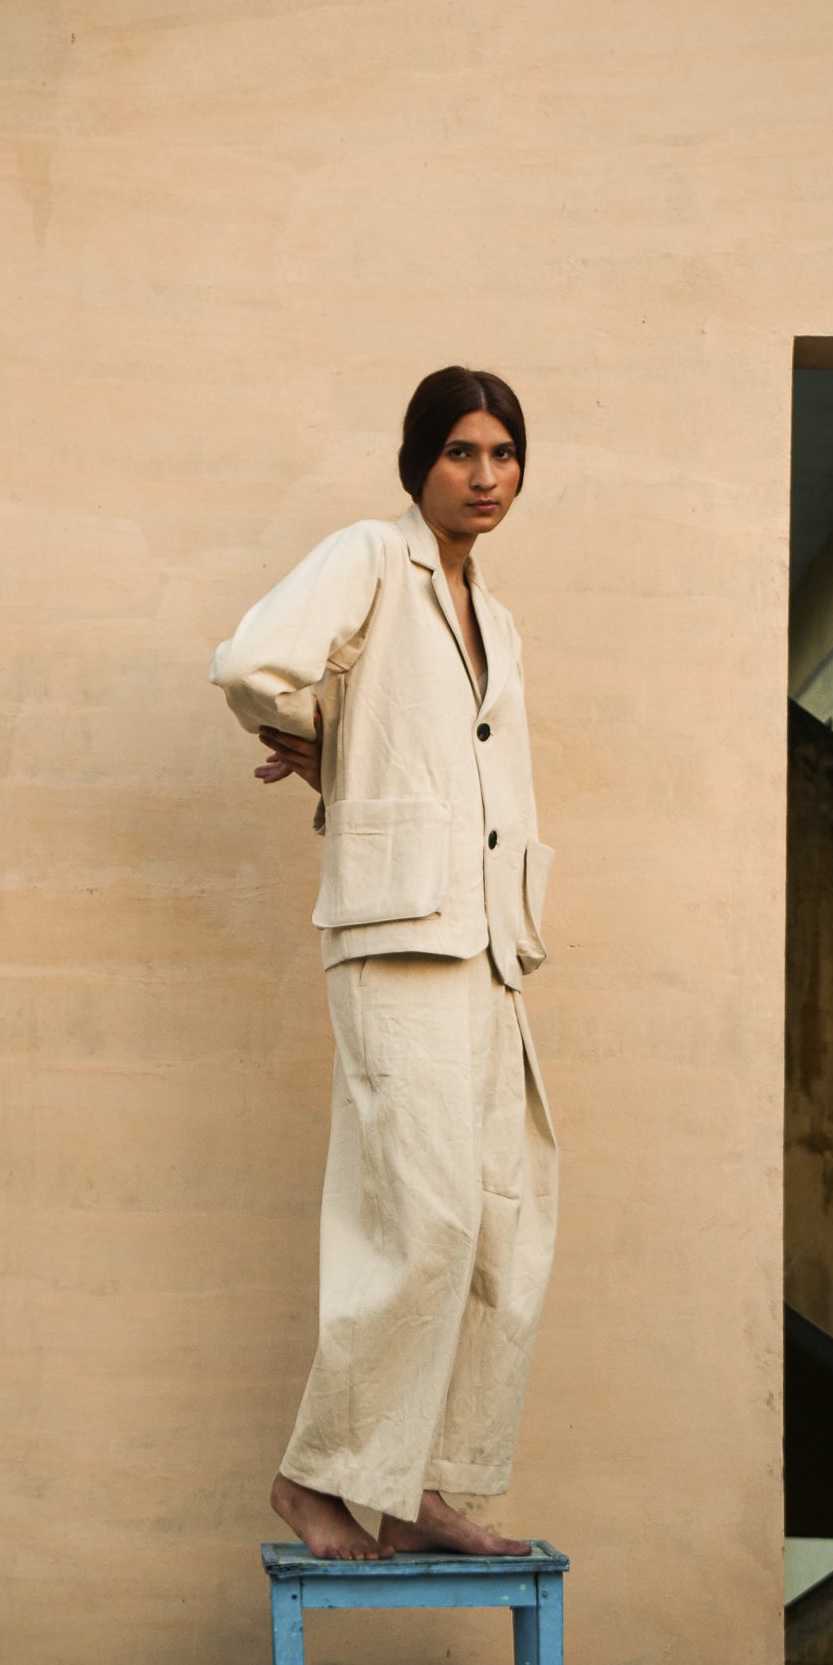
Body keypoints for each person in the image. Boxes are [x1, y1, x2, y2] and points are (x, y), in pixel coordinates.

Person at [210, 367, 557, 1561]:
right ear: (419, 462)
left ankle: (421, 1487)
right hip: (400, 933)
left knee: (503, 1226)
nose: (485, 475)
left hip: (488, 943)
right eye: (461, 451)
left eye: (503, 453)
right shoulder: (370, 556)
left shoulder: (496, 618)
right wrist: (322, 739)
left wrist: (345, 747)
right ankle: (315, 1477)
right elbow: (253, 662)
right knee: (426, 1214)